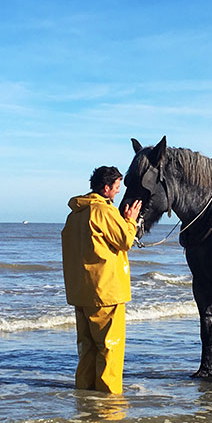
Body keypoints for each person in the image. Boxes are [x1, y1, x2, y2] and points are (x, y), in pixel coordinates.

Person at [61, 166, 141, 394]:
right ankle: (108, 397)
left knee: (87, 347)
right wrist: (131, 220)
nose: (117, 193)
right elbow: (125, 240)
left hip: (81, 291)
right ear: (106, 188)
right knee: (110, 348)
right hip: (106, 291)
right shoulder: (103, 211)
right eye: (116, 188)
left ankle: (85, 393)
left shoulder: (75, 213)